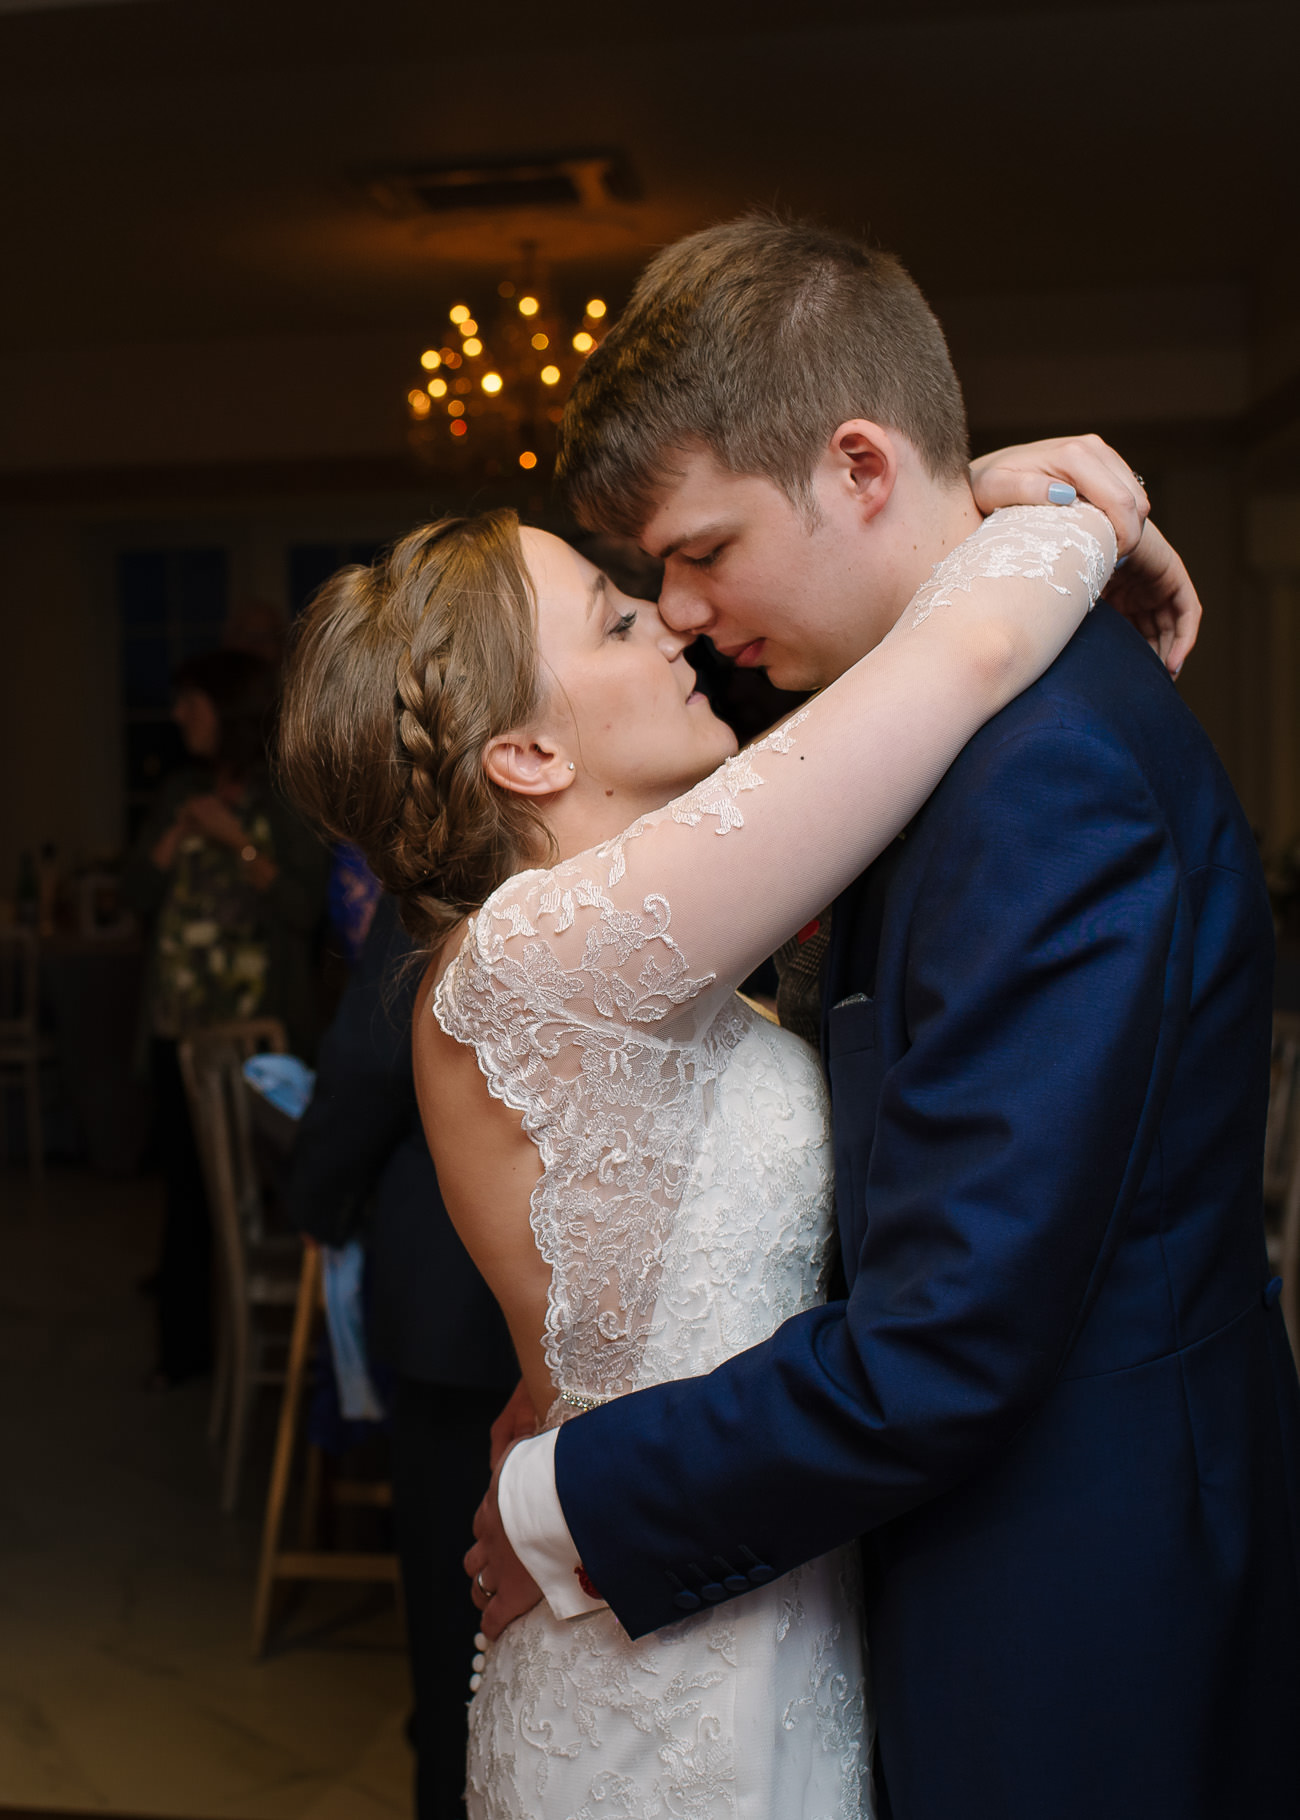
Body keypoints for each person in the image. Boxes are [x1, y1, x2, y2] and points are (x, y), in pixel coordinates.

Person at [463, 217, 1300, 1820]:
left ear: (858, 467)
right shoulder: (933, 709)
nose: (688, 612)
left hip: (1074, 1586)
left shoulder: (1042, 768)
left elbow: (950, 1341)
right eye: (648, 583)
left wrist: (564, 1503)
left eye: (703, 551)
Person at [278, 432, 1191, 1813]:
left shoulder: (620, 952)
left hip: (733, 1583)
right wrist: (1068, 505)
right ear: (526, 754)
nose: (672, 619)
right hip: (668, 1685)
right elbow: (962, 660)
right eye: (615, 613)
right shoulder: (537, 955)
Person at [284, 891, 518, 1820]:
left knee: (455, 1615)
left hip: (455, 1307)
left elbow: (366, 1064)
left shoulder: (449, 870)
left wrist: (314, 1203)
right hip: (608, 1315)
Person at [123, 649, 328, 1385]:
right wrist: (178, 835)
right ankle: (185, 1356)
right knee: (185, 1200)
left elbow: (307, 909)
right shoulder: (179, 787)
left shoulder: (282, 797)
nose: (180, 717)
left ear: (229, 713)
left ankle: (303, 1358)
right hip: (182, 1040)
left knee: (271, 1198)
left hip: (263, 1047)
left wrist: (233, 840)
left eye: (194, 704)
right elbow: (137, 895)